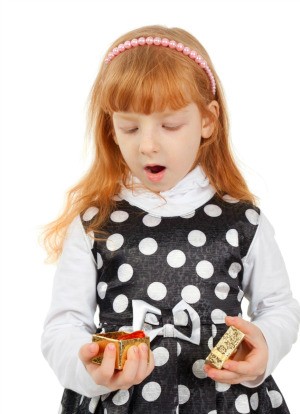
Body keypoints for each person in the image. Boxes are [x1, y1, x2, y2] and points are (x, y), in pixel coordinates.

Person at [41, 25, 300, 414]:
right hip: (123, 403)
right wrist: (89, 367)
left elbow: (278, 305)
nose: (148, 144)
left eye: (170, 125)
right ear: (112, 128)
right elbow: (63, 326)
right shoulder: (96, 224)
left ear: (207, 121)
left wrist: (264, 343)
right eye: (129, 127)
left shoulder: (242, 221)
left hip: (224, 400)